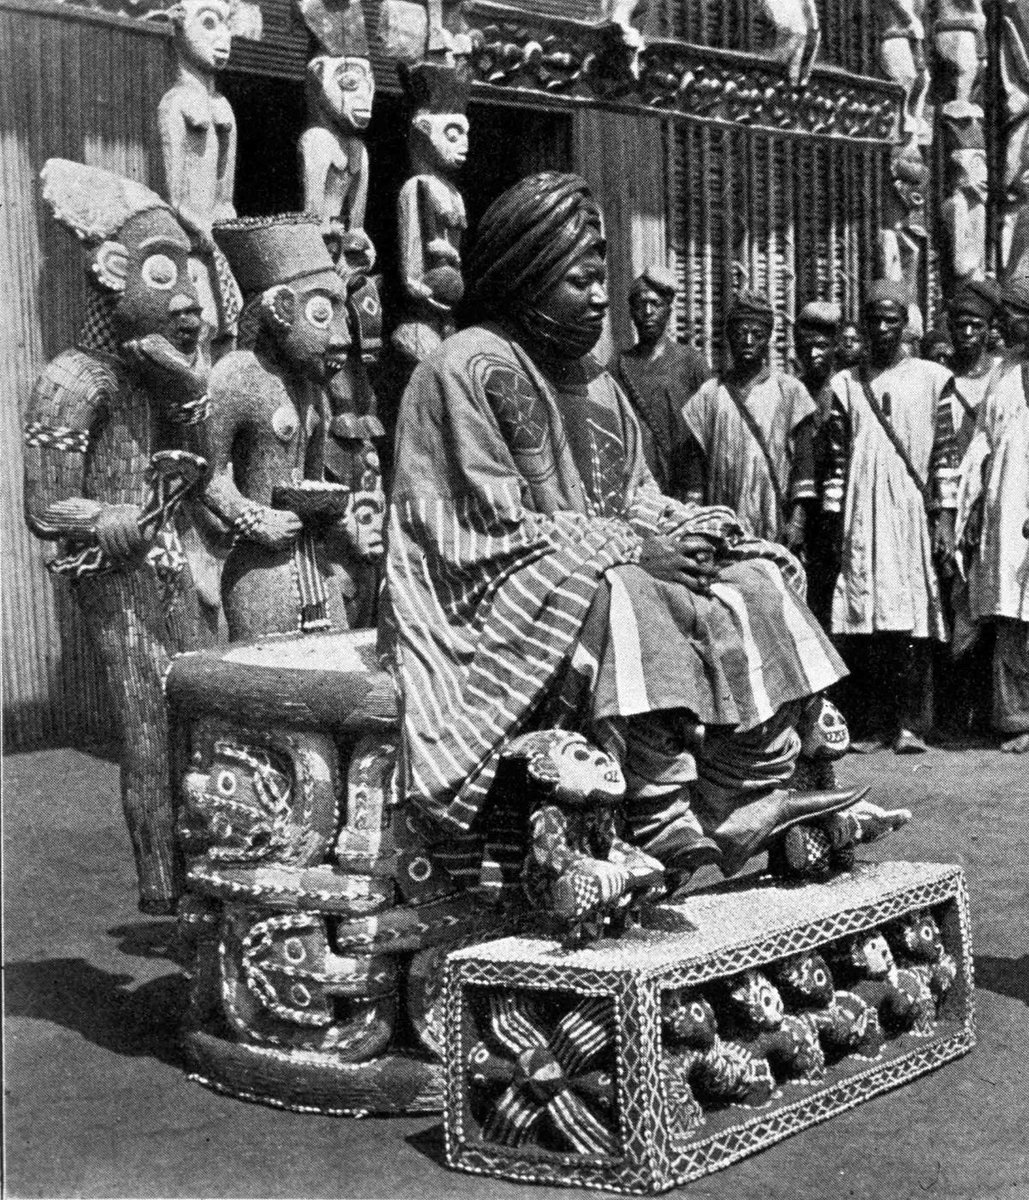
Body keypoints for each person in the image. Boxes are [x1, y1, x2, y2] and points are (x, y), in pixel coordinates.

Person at [384, 172, 860, 895]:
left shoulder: (593, 378)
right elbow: (481, 525)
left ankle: (749, 787)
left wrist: (690, 532)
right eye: (581, 282)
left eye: (600, 280)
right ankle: (655, 807)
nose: (601, 298)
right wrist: (639, 551)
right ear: (526, 280)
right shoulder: (463, 368)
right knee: (629, 594)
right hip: (482, 583)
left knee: (756, 572)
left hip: (592, 556)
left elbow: (633, 495)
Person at [23, 160, 212, 913]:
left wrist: (189, 392)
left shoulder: (148, 375)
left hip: (163, 559)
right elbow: (45, 505)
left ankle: (203, 865)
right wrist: (103, 517)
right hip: (112, 569)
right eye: (164, 274)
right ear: (111, 272)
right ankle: (162, 886)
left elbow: (191, 469)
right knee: (147, 722)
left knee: (197, 706)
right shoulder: (72, 382)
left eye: (189, 277)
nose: (189, 300)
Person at [822, 279, 959, 754]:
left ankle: (911, 724)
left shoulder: (931, 378)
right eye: (873, 319)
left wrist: (943, 519)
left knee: (911, 621)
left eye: (891, 319)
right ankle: (875, 724)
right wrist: (836, 522)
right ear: (862, 323)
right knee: (868, 618)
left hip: (909, 512)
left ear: (904, 324)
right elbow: (837, 463)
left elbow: (944, 455)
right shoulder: (844, 384)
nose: (881, 328)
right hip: (862, 512)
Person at [954, 277, 1029, 753]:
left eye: (1014, 316)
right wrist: (973, 504)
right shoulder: (1004, 372)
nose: (1003, 325)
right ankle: (1015, 718)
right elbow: (983, 442)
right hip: (1004, 509)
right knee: (1008, 614)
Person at [682, 291, 816, 556]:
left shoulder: (790, 392)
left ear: (768, 338)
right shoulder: (709, 395)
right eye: (740, 333)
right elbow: (695, 470)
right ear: (729, 337)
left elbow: (803, 465)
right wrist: (695, 522)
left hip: (774, 523)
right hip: (721, 526)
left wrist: (798, 522)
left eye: (757, 334)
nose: (748, 341)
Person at [610, 265, 710, 498]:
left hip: (687, 484)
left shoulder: (691, 362)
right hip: (638, 483)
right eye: (640, 305)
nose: (647, 312)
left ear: (668, 310)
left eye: (655, 304)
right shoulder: (618, 366)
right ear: (631, 312)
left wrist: (698, 487)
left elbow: (706, 429)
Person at [795, 300, 842, 628]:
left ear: (835, 348)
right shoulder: (791, 391)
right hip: (803, 509)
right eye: (808, 347)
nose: (815, 355)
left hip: (839, 509)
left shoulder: (844, 391)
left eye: (822, 347)